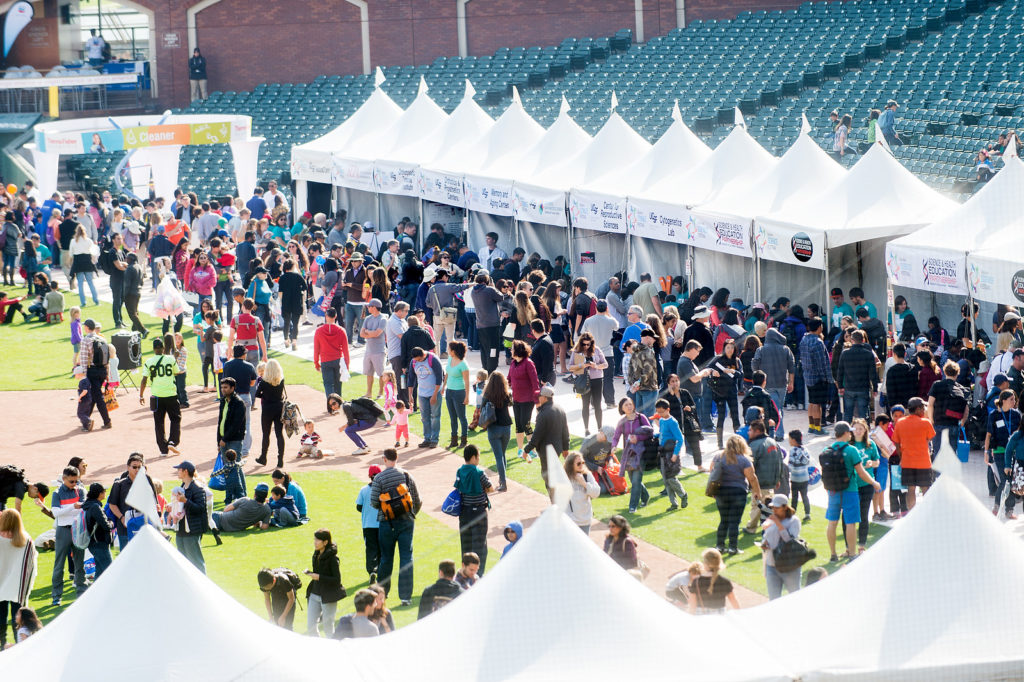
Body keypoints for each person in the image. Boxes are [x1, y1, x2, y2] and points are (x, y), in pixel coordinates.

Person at [370, 448, 422, 606]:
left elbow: (374, 502)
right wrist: (411, 515)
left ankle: (381, 595)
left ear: (384, 459)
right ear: (397, 458)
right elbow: (416, 499)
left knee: (386, 558)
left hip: (386, 523)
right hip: (406, 521)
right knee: (407, 558)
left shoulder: (379, 478)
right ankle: (405, 597)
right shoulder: (406, 475)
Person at [824, 422, 881, 562]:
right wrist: (874, 482)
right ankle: (852, 553)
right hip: (850, 490)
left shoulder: (827, 449)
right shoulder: (851, 450)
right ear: (845, 433)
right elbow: (861, 472)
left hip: (833, 491)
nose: (851, 433)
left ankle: (833, 554)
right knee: (851, 523)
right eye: (849, 431)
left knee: (832, 522)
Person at [712, 436, 762, 555]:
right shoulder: (744, 460)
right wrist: (757, 492)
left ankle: (720, 546)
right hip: (738, 492)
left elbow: (712, 472)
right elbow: (752, 478)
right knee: (734, 521)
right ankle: (732, 548)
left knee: (723, 520)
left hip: (721, 492)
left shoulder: (718, 457)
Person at [138, 337, 181, 457]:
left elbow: (144, 380)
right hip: (171, 394)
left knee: (158, 422)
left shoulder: (148, 362)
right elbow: (176, 372)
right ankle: (173, 441)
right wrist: (176, 358)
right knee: (175, 419)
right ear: (163, 348)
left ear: (153, 349)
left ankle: (163, 449)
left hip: (156, 396)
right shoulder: (171, 359)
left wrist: (141, 395)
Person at [523, 384, 571, 492]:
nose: (538, 398)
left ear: (544, 397)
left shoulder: (543, 414)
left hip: (546, 451)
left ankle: (556, 503)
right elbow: (565, 431)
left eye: (540, 396)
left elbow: (536, 436)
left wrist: (526, 450)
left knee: (549, 479)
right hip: (557, 449)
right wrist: (565, 448)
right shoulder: (560, 409)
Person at [0, 509, 37, 649]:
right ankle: (20, 646)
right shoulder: (26, 540)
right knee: (19, 620)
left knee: (0, 619)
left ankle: (1, 646)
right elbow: (31, 565)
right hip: (17, 587)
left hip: (1, 584)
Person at [454, 445, 494, 574]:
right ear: (473, 457)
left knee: (466, 544)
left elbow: (458, 487)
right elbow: (490, 488)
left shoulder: (460, 471)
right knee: (480, 546)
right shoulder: (479, 472)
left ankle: (466, 573)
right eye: (478, 456)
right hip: (479, 513)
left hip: (464, 512)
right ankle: (478, 575)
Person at [50, 466, 86, 606]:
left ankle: (81, 592)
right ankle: (56, 596)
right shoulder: (57, 493)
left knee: (79, 563)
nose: (74, 484)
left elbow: (83, 508)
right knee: (59, 564)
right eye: (71, 481)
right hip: (63, 530)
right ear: (64, 479)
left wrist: (70, 509)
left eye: (76, 481)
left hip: (78, 530)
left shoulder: (81, 490)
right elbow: (55, 513)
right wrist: (73, 507)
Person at [751, 327, 794, 440]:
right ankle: (778, 432)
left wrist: (759, 375)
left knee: (775, 409)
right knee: (779, 408)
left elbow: (754, 365)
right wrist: (791, 383)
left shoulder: (761, 350)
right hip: (782, 384)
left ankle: (778, 434)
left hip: (767, 384)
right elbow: (792, 367)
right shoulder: (786, 349)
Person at [106, 453, 156, 549]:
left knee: (144, 554)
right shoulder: (119, 484)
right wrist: (122, 518)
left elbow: (154, 501)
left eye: (139, 467)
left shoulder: (147, 481)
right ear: (128, 467)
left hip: (144, 526)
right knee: (127, 557)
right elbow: (112, 504)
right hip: (125, 527)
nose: (137, 470)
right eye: (134, 467)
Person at [612, 396, 652, 514]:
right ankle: (645, 496)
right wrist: (614, 446)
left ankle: (632, 506)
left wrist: (638, 438)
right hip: (628, 454)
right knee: (634, 480)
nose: (629, 407)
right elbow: (616, 436)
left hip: (641, 453)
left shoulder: (641, 418)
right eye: (626, 405)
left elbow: (650, 432)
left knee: (635, 481)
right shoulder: (622, 421)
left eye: (630, 404)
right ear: (622, 409)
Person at [742, 420, 784, 535]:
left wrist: (748, 481)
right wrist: (778, 478)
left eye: (750, 430)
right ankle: (771, 524)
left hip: (760, 481)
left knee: (757, 504)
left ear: (758, 431)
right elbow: (780, 461)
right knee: (768, 504)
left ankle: (751, 527)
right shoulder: (773, 442)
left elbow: (749, 466)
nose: (748, 432)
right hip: (772, 480)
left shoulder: (754, 445)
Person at [761, 494, 802, 599]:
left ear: (785, 507)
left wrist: (778, 524)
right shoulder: (771, 520)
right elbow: (767, 536)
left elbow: (789, 540)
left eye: (777, 508)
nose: (774, 510)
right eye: (773, 507)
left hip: (789, 566)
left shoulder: (794, 521)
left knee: (795, 597)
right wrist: (764, 542)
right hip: (771, 564)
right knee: (774, 600)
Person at [305, 528, 345, 638]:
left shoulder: (333, 559)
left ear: (325, 542)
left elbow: (337, 580)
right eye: (314, 539)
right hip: (314, 594)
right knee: (311, 627)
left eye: (318, 540)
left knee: (328, 628)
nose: (315, 542)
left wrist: (319, 577)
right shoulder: (316, 554)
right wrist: (311, 574)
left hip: (328, 596)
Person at [568, 331, 608, 436]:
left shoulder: (597, 350)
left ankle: (600, 428)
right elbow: (570, 367)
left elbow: (605, 364)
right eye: (584, 344)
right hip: (583, 380)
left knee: (598, 404)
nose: (586, 346)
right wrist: (582, 365)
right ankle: (586, 429)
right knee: (585, 405)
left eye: (588, 344)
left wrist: (596, 366)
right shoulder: (577, 351)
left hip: (597, 379)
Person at [849, 418, 881, 552]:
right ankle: (848, 548)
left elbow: (877, 461)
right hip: (851, 485)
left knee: (863, 515)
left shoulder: (870, 444)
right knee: (849, 516)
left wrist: (871, 464)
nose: (858, 431)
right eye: (855, 428)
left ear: (865, 430)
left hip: (867, 483)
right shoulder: (848, 444)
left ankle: (861, 545)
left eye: (860, 429)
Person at [927, 360, 970, 455]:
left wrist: (931, 420)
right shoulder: (961, 388)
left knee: (938, 454)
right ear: (957, 373)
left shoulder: (937, 385)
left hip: (939, 423)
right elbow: (966, 409)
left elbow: (930, 404)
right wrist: (962, 423)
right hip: (954, 425)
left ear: (944, 371)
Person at [582, 299, 619, 408]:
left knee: (594, 378)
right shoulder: (610, 321)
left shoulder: (589, 321)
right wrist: (609, 314)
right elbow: (617, 326)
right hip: (607, 352)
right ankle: (610, 402)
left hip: (592, 352)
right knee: (608, 378)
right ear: (606, 308)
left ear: (596, 308)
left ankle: (594, 402)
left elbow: (583, 335)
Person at [173, 461, 208, 573]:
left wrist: (186, 501)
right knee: (183, 562)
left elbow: (200, 508)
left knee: (196, 562)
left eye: (179, 469)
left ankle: (203, 586)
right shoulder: (182, 487)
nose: (177, 471)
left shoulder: (197, 488)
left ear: (185, 471)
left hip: (192, 531)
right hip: (181, 530)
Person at [800, 318, 833, 434]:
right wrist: (827, 378)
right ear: (819, 327)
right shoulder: (818, 342)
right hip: (818, 378)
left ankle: (811, 425)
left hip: (808, 375)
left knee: (811, 402)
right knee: (817, 403)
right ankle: (818, 428)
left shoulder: (804, 340)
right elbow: (821, 363)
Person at [78, 319, 112, 430]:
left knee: (97, 397)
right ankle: (86, 420)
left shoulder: (86, 340)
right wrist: (107, 373)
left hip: (92, 371)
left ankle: (107, 421)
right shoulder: (102, 339)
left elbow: (83, 359)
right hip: (103, 370)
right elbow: (107, 357)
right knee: (93, 396)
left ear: (87, 327)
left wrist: (84, 376)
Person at [483, 370, 514, 491]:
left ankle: (503, 482)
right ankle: (503, 479)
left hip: (494, 427)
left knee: (499, 456)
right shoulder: (506, 394)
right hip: (506, 427)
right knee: (502, 454)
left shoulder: (488, 395)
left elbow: (481, 407)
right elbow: (511, 403)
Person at [653, 398, 687, 510]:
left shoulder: (672, 422)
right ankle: (674, 503)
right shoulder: (662, 420)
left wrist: (675, 454)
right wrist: (656, 436)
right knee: (665, 479)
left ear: (668, 409)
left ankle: (683, 494)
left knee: (671, 477)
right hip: (663, 453)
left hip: (671, 454)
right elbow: (663, 433)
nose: (660, 414)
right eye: (658, 412)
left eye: (662, 411)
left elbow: (680, 439)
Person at [837, 329, 877, 421]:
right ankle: (863, 433)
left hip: (848, 387)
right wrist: (874, 388)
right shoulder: (868, 354)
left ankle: (847, 433)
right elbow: (872, 373)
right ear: (863, 340)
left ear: (852, 340)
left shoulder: (845, 353)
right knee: (863, 414)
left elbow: (840, 371)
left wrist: (840, 386)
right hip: (863, 388)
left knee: (847, 414)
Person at [708, 337, 741, 448]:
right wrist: (714, 371)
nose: (730, 350)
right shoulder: (718, 359)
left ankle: (737, 443)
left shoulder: (736, 360)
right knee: (721, 416)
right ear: (724, 348)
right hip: (720, 392)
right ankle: (720, 443)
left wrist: (733, 371)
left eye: (732, 347)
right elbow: (708, 368)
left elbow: (741, 374)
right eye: (728, 347)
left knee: (735, 416)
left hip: (732, 392)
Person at [255, 359, 286, 467]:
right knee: (279, 434)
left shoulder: (264, 381)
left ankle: (263, 457)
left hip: (267, 409)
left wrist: (266, 395)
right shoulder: (281, 380)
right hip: (279, 407)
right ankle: (280, 460)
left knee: (266, 434)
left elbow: (257, 394)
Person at [688, 548, 739, 614]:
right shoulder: (725, 581)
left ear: (705, 563)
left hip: (701, 617)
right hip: (719, 617)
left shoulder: (697, 581)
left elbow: (692, 605)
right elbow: (733, 601)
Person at [444, 341, 472, 449]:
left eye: (449, 349)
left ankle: (464, 440)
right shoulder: (450, 359)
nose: (448, 351)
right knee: (452, 417)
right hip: (449, 391)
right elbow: (447, 373)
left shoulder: (463, 364)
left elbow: (467, 381)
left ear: (453, 351)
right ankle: (454, 441)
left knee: (461, 417)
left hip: (459, 392)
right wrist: (443, 386)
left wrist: (467, 396)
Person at [356, 466, 382, 582]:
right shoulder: (383, 490)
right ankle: (381, 570)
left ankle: (372, 570)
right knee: (382, 548)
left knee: (371, 548)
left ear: (369, 476)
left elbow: (358, 507)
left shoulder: (364, 490)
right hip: (382, 524)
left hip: (368, 525)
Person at [564, 452, 601, 532]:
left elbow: (596, 493)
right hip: (571, 521)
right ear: (571, 465)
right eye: (578, 463)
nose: (581, 465)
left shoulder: (587, 475)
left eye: (583, 463)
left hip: (585, 520)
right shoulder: (565, 478)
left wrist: (584, 483)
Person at [82, 483, 112, 578]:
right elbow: (106, 526)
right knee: (110, 570)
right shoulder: (95, 507)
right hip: (99, 544)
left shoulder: (88, 505)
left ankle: (96, 592)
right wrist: (111, 523)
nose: (105, 493)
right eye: (104, 491)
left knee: (99, 572)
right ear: (99, 494)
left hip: (94, 544)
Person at [628, 328, 660, 417]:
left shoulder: (634, 351)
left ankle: (640, 431)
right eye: (653, 338)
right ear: (647, 337)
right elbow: (648, 370)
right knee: (649, 415)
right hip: (649, 387)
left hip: (638, 388)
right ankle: (647, 431)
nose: (654, 340)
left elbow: (630, 368)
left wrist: (633, 384)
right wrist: (639, 382)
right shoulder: (648, 351)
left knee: (640, 415)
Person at [360, 298, 389, 397]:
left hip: (379, 351)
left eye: (370, 306)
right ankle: (369, 393)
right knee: (369, 373)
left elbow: (377, 333)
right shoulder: (368, 318)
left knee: (381, 374)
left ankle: (381, 392)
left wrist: (368, 332)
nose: (368, 308)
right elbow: (361, 334)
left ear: (374, 307)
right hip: (369, 351)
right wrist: (370, 333)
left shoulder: (383, 319)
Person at [788, 430, 812, 522]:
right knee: (805, 496)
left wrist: (787, 473)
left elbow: (790, 465)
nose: (789, 441)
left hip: (795, 478)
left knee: (794, 497)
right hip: (805, 478)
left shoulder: (792, 450)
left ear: (794, 440)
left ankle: (792, 513)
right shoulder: (805, 449)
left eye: (790, 439)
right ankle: (807, 514)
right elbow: (807, 461)